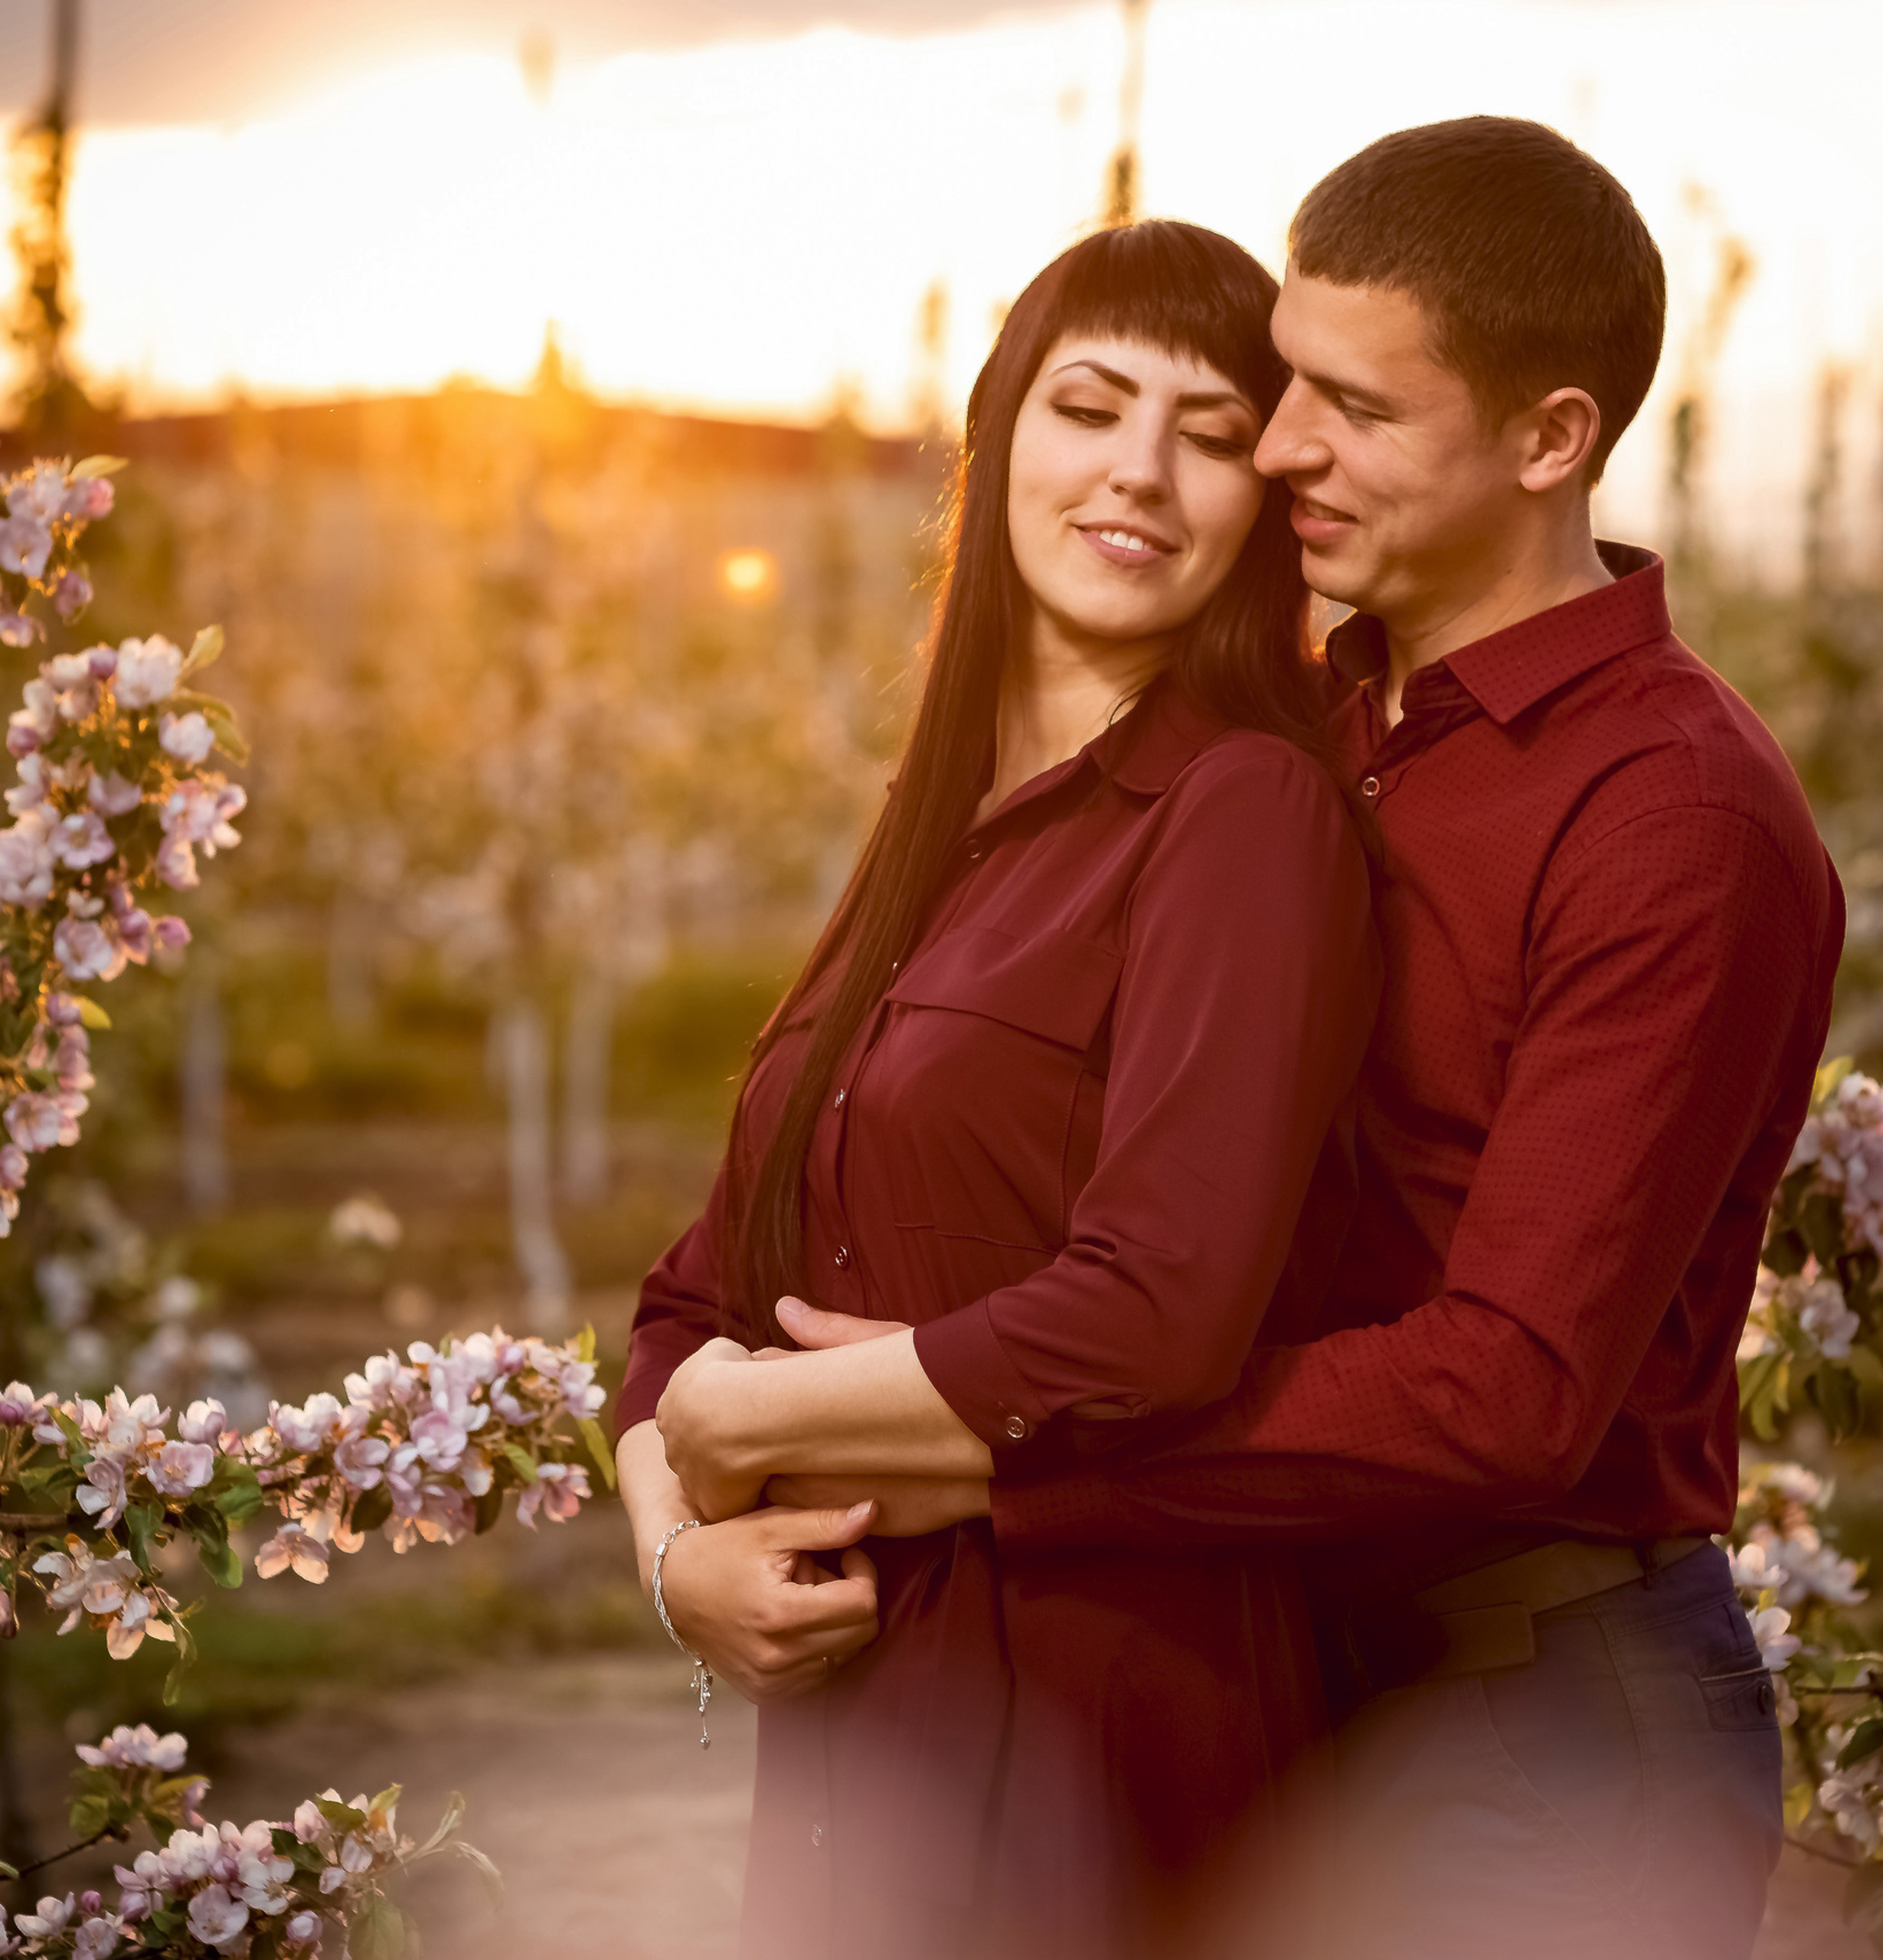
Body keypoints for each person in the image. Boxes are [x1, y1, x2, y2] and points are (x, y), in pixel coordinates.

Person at [764, 119, 1845, 1959]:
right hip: (1280, 1666)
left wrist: (990, 1442)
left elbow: (1501, 1386)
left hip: (1535, 1719)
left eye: (1351, 408)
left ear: (1547, 437)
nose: (1277, 450)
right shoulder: (1305, 724)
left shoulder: (1672, 818)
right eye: (1286, 388)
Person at [615, 219, 1378, 1960]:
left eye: (1206, 432)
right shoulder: (932, 834)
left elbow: (1160, 1305)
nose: (1138, 472)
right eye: (1089, 406)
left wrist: (756, 1426)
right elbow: (694, 1291)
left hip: (1102, 1713)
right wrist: (680, 1557)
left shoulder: (1239, 812)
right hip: (857, 1718)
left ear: (1264, 497)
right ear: (997, 440)